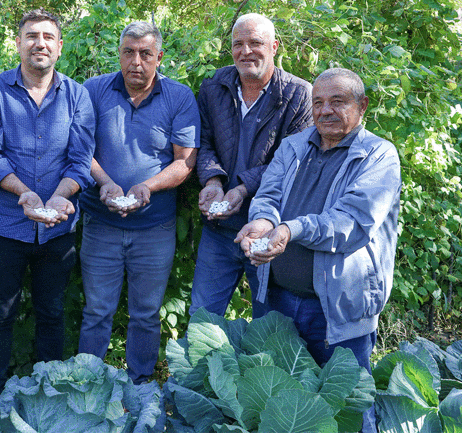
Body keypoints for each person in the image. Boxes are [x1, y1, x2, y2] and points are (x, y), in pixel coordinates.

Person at [236, 68, 401, 433]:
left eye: (337, 102)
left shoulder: (378, 156)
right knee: (281, 406)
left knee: (347, 409)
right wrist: (263, 222)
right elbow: (268, 195)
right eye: (318, 102)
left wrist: (290, 229)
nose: (325, 110)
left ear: (362, 106)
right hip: (276, 299)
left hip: (338, 310)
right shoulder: (294, 146)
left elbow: (350, 223)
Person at [0, 8, 95, 433]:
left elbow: (80, 161)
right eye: (31, 36)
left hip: (57, 228)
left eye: (48, 37)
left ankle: (46, 401)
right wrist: (23, 193)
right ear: (18, 43)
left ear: (60, 46)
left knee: (51, 311)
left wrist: (59, 198)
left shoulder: (77, 96)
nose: (39, 43)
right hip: (6, 224)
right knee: (0, 312)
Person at [77, 21, 199, 385]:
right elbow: (80, 150)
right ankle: (86, 382)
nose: (136, 61)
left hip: (154, 227)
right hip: (101, 223)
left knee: (146, 313)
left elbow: (185, 161)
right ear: (119, 54)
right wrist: (107, 184)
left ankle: (141, 384)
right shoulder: (94, 90)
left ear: (159, 57)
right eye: (129, 52)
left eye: (146, 54)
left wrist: (147, 186)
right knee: (97, 310)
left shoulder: (179, 97)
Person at [190, 13, 312, 318]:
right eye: (238, 44)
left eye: (255, 43)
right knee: (202, 320)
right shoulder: (213, 87)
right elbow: (204, 143)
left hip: (268, 231)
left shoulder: (298, 95)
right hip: (218, 231)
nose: (246, 51)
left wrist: (242, 190)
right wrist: (213, 183)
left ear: (274, 46)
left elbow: (289, 163)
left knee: (270, 326)